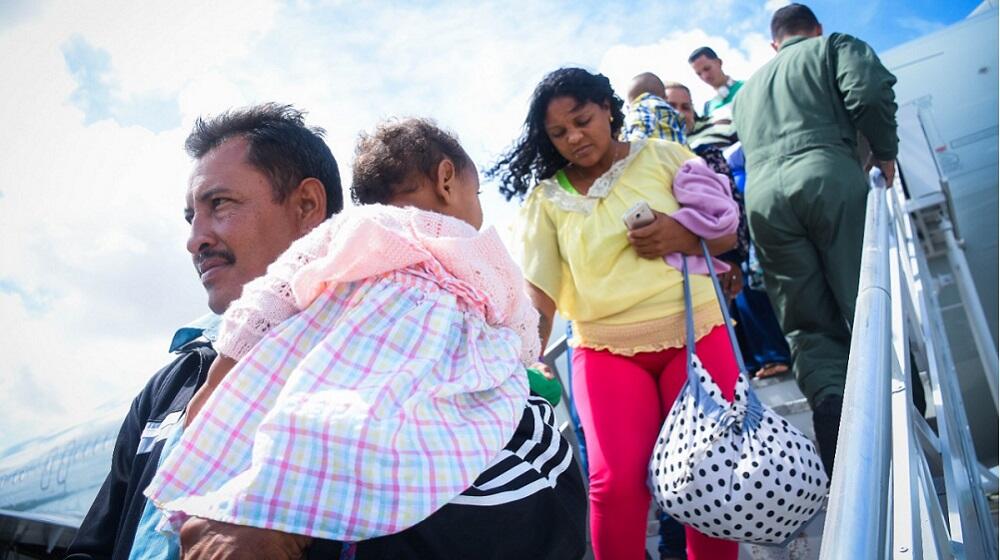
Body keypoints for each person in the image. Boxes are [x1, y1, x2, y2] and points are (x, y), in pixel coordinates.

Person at [147, 118, 587, 560]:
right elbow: (520, 322)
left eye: (219, 203)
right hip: (430, 401)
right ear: (447, 179)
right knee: (398, 459)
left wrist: (219, 378)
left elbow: (270, 298)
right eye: (478, 194)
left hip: (335, 389)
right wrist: (530, 363)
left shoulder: (351, 234)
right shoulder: (478, 250)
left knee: (296, 442)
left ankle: (272, 520)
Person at [65, 103, 344, 560]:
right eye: (190, 217)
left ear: (307, 206)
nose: (195, 239)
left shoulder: (395, 364)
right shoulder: (169, 385)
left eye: (219, 204)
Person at [490, 67, 740, 560]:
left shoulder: (666, 156)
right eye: (559, 133)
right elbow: (540, 297)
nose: (574, 138)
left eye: (582, 120)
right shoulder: (545, 201)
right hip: (605, 351)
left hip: (698, 334)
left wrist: (682, 234)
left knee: (711, 473)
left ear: (608, 108)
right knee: (616, 485)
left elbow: (727, 235)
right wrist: (519, 362)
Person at [732, 3, 898, 474]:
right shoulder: (834, 46)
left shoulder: (746, 93)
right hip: (827, 174)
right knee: (863, 295)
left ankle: (837, 433)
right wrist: (884, 153)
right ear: (815, 29)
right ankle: (905, 407)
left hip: (764, 200)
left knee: (806, 323)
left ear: (774, 43)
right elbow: (868, 92)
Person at [664, 82, 792, 379]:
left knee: (744, 295)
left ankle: (771, 356)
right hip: (688, 259)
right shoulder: (652, 159)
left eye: (686, 106)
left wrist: (735, 253)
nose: (681, 113)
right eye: (672, 105)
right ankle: (743, 366)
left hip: (726, 246)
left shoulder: (705, 149)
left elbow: (731, 203)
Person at [622, 72, 686, 145]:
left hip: (653, 152)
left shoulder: (641, 107)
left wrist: (629, 147)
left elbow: (642, 128)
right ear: (665, 97)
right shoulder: (672, 112)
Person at [688, 46, 743, 119]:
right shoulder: (707, 108)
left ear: (719, 63)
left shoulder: (747, 87)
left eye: (707, 68)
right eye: (699, 74)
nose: (705, 76)